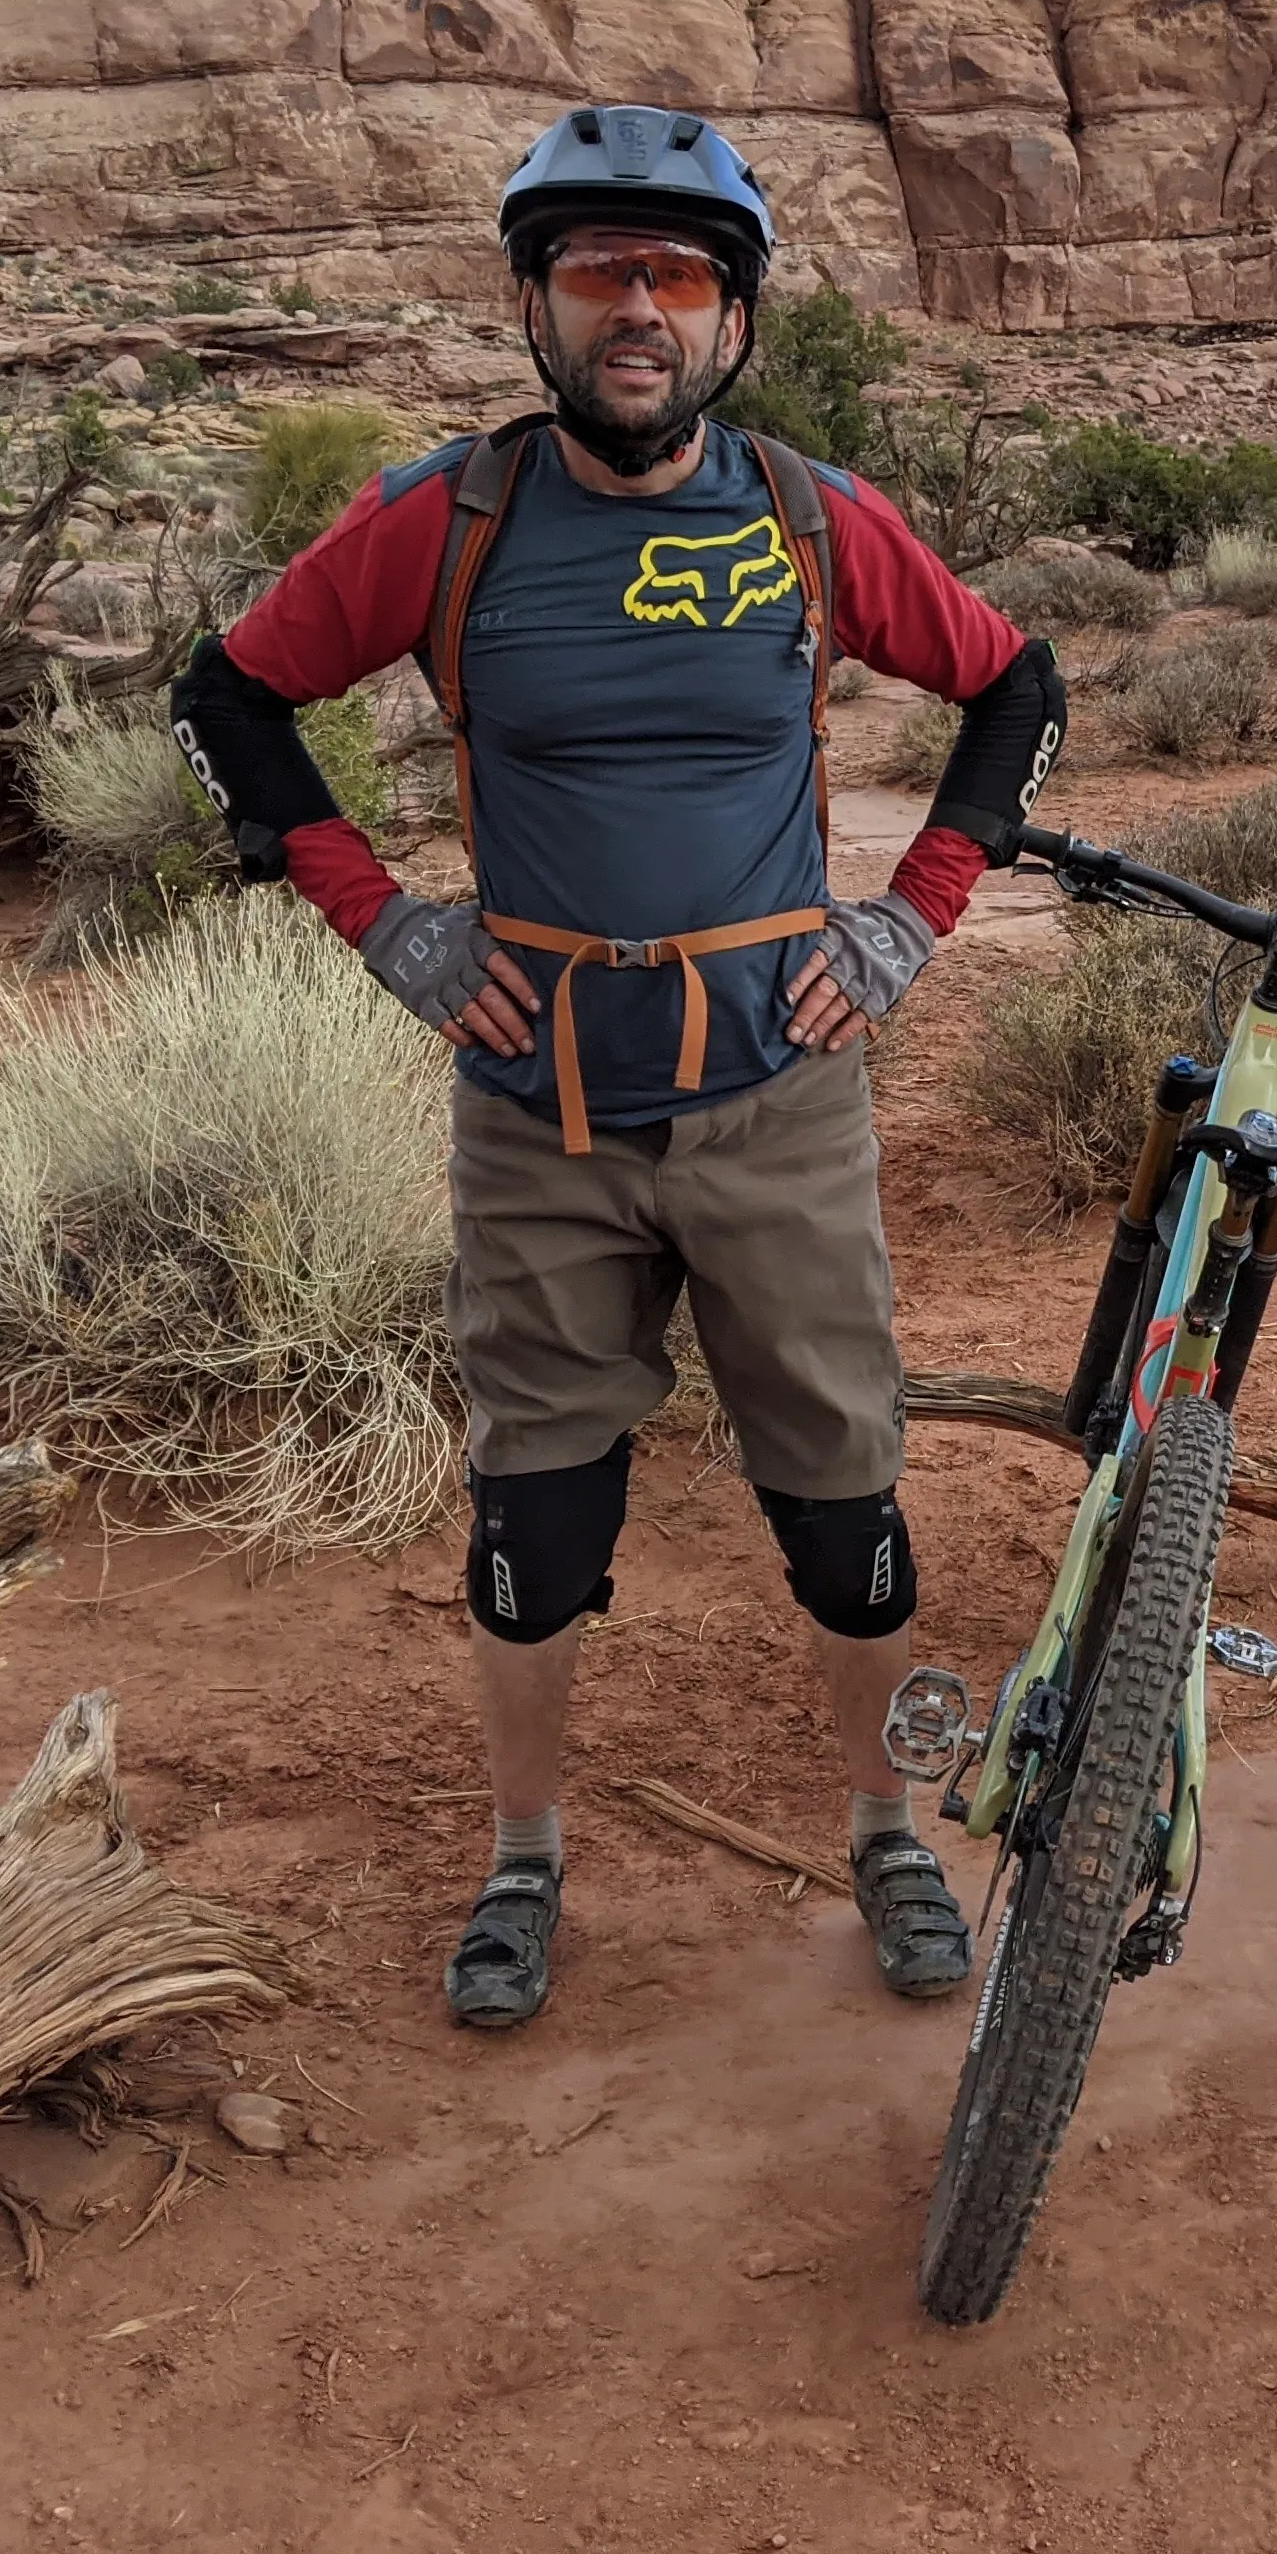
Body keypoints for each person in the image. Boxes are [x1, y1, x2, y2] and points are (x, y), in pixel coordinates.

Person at [171, 105, 1066, 2031]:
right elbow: (222, 694)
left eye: (677, 276)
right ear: (535, 303)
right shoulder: (453, 516)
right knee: (536, 1531)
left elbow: (1019, 685)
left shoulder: (811, 517)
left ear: (733, 317)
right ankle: (524, 1858)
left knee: (849, 1514)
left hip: (778, 1096)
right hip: (541, 1116)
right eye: (599, 271)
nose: (638, 308)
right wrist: (386, 924)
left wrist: (909, 919)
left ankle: (889, 1831)